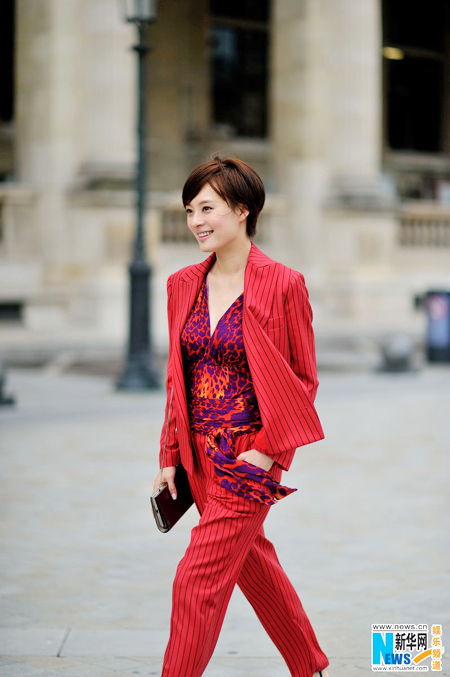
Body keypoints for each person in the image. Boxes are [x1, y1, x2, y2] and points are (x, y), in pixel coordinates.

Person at [153, 156, 329, 677]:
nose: (196, 221)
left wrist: (267, 452)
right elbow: (175, 376)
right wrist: (169, 455)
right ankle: (310, 666)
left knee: (196, 579)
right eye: (189, 211)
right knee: (255, 566)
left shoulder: (282, 283)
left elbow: (303, 379)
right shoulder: (182, 283)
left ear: (242, 209)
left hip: (249, 456)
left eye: (206, 208)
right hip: (198, 456)